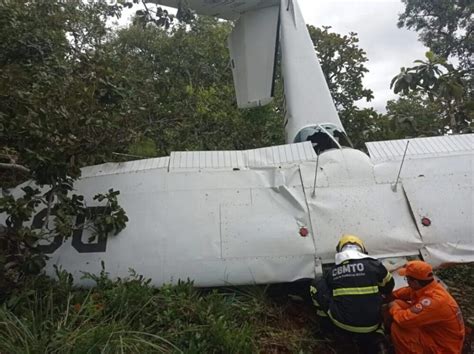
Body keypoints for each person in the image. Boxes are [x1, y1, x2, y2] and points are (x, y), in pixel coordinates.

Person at [310, 234, 394, 353]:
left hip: (342, 324)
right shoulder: (374, 265)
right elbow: (389, 286)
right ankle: (379, 339)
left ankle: (326, 326)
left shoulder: (331, 272)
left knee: (317, 283)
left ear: (340, 250)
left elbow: (326, 292)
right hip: (372, 325)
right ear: (363, 249)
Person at [388, 260, 465, 353]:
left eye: (406, 279)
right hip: (432, 332)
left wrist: (393, 307)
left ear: (415, 282)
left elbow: (404, 321)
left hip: (443, 347)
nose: (407, 282)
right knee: (399, 303)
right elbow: (403, 293)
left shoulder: (434, 301)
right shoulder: (428, 287)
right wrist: (386, 295)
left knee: (398, 329)